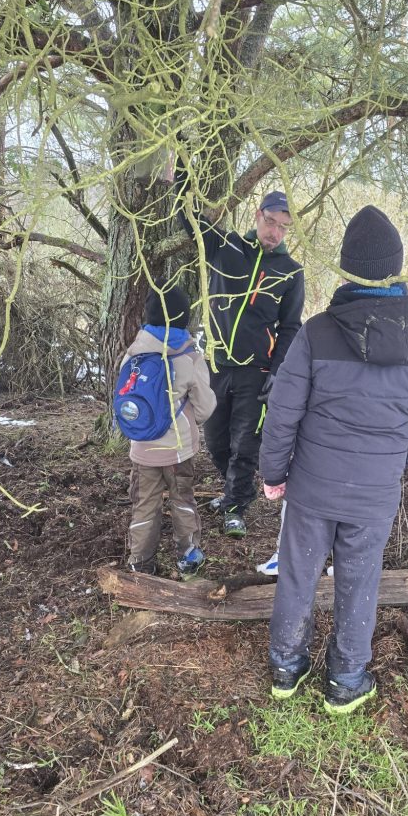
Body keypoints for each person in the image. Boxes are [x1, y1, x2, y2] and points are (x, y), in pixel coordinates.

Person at [259, 206, 408, 714]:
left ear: (347, 270)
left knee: (299, 573)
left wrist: (274, 473)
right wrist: (392, 462)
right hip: (375, 492)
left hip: (311, 488)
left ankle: (286, 665)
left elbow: (282, 413)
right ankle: (345, 679)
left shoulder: (317, 333)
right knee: (360, 578)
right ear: (397, 268)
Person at [178, 182, 305, 538]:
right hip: (217, 364)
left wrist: (278, 371)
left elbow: (291, 327)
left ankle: (236, 506)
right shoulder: (227, 246)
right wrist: (180, 183)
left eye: (283, 226)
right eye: (271, 222)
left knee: (244, 443)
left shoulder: (291, 272)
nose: (275, 232)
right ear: (257, 215)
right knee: (216, 439)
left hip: (257, 369)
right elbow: (190, 221)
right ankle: (236, 489)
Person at [123, 285, 216, 575]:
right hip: (177, 451)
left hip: (142, 448)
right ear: (184, 317)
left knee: (144, 505)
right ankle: (188, 558)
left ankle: (140, 563)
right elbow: (205, 408)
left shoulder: (134, 353)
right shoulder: (188, 356)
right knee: (182, 500)